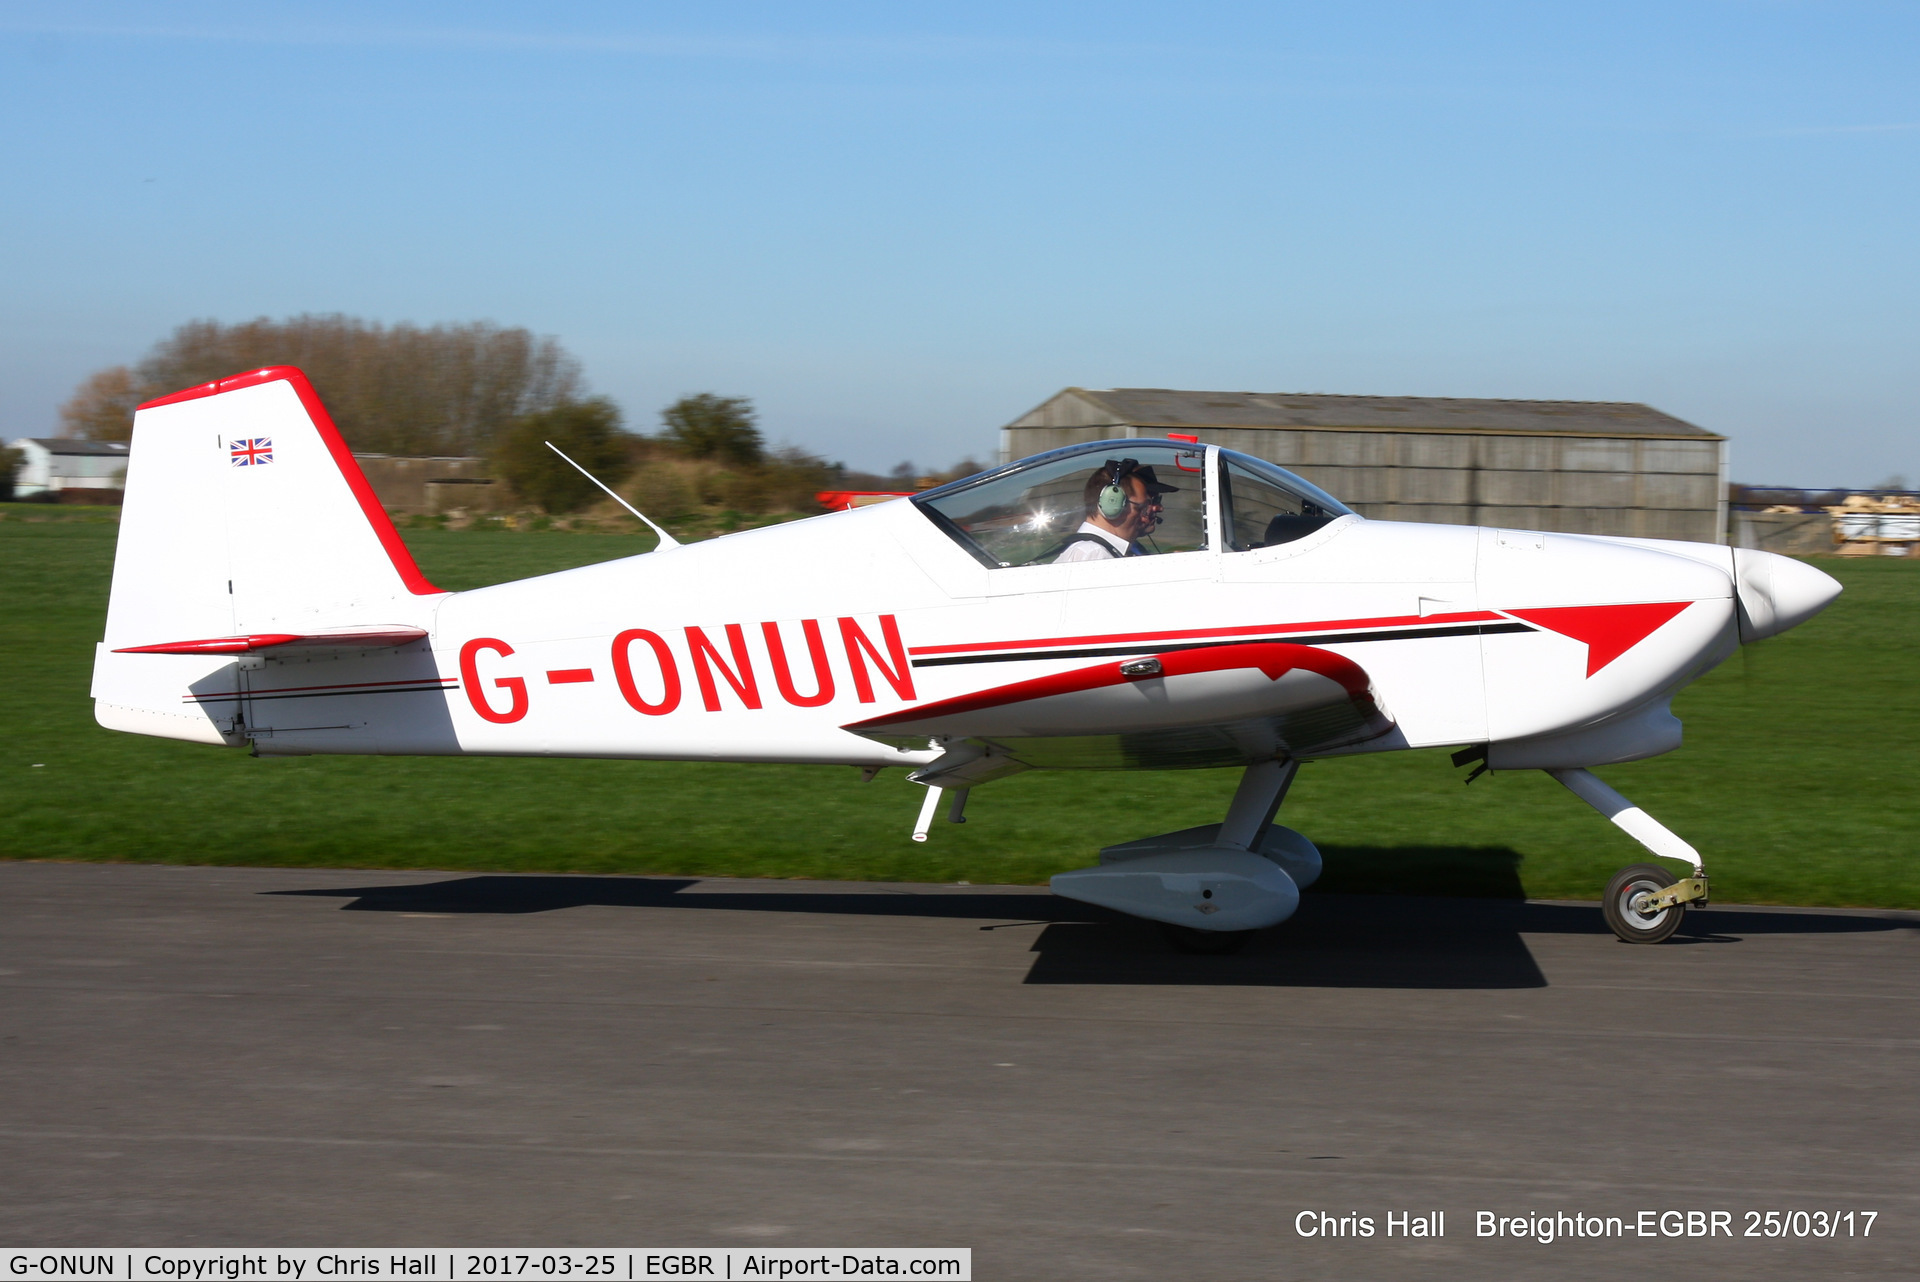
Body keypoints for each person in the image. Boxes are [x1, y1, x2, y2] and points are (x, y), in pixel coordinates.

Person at [1051, 458, 1177, 562]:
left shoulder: (1108, 551)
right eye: (1145, 505)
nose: (1159, 508)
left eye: (1157, 500)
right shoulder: (1094, 555)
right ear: (1112, 504)